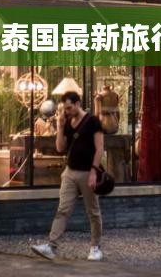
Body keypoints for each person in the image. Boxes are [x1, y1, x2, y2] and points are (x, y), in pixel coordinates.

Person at [31, 91, 104, 261]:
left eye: (69, 108)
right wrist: (60, 126)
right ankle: (51, 246)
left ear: (78, 104)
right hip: (70, 172)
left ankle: (95, 247)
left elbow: (100, 148)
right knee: (63, 209)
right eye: (65, 108)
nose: (67, 111)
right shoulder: (68, 122)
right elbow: (60, 148)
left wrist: (94, 172)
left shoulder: (93, 121)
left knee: (93, 211)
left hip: (88, 172)